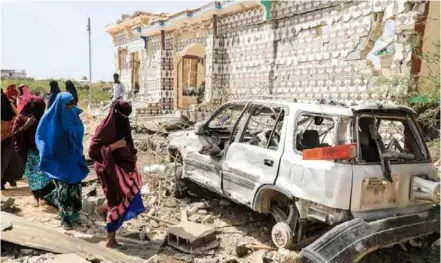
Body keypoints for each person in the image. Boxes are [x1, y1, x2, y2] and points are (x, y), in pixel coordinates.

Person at [89, 100, 145, 249]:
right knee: (116, 201)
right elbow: (93, 151)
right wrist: (114, 146)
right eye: (123, 116)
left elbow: (129, 144)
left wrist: (132, 156)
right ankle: (110, 240)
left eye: (127, 116)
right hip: (109, 170)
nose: (125, 119)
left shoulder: (123, 123)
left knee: (131, 191)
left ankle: (103, 208)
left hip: (125, 167)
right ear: (116, 114)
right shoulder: (105, 128)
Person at [36, 92, 89, 230]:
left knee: (75, 188)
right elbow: (43, 138)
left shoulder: (73, 117)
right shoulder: (50, 120)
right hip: (59, 161)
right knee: (63, 190)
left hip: (73, 159)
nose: (71, 107)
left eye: (72, 104)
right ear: (60, 105)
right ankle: (64, 218)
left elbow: (79, 134)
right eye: (68, 104)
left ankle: (74, 216)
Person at [12, 96, 56, 206]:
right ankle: (37, 198)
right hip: (25, 151)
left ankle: (46, 197)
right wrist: (27, 125)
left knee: (44, 175)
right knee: (32, 176)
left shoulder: (42, 117)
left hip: (40, 150)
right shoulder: (21, 118)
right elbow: (15, 135)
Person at [1, 90, 23, 190]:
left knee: (6, 160)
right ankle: (10, 179)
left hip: (7, 137)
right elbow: (18, 117)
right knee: (8, 159)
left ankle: (6, 180)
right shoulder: (8, 104)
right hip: (9, 136)